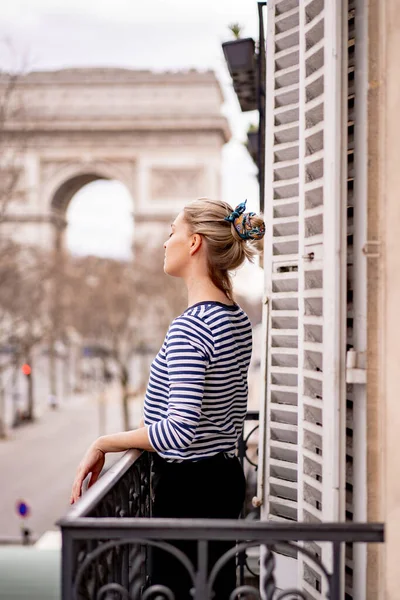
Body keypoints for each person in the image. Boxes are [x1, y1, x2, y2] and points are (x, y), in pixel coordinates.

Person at [70, 198, 265, 599]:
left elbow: (177, 432)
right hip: (223, 480)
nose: (164, 242)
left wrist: (104, 442)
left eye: (172, 232)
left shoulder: (190, 329)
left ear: (194, 243)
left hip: (187, 491)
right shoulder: (237, 319)